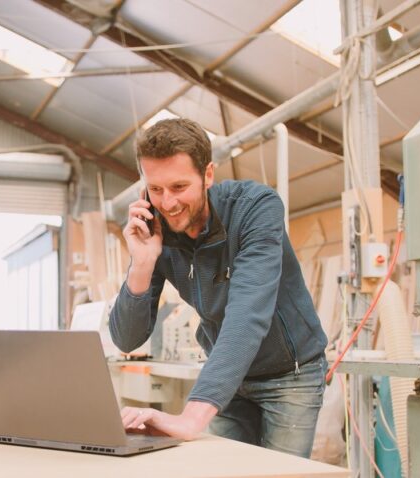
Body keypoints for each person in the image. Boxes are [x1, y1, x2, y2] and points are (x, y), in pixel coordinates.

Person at [110, 118, 328, 458]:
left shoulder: (255, 208)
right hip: (229, 378)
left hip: (289, 375)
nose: (167, 203)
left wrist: (192, 418)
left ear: (208, 175)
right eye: (156, 189)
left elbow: (247, 314)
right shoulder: (155, 228)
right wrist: (142, 263)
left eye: (179, 187)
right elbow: (126, 339)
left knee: (281, 473)